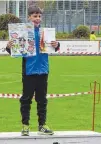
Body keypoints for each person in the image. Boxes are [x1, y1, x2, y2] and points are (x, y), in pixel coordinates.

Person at [6, 5, 60, 136]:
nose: (37, 18)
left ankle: (42, 125)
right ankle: (25, 125)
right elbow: (14, 50)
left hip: (43, 70)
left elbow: (54, 47)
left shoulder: (45, 33)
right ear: (29, 17)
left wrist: (57, 45)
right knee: (26, 99)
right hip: (29, 71)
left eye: (39, 16)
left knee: (42, 100)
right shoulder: (23, 32)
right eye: (35, 16)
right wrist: (9, 47)